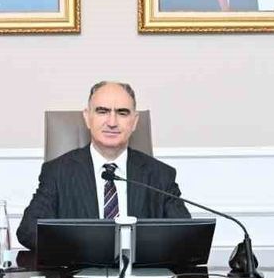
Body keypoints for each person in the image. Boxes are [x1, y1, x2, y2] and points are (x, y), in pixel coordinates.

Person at [16, 81, 191, 250]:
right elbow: (29, 231)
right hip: (78, 267)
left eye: (122, 113)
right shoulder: (57, 172)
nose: (112, 122)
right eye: (102, 111)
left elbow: (185, 236)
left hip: (140, 269)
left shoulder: (160, 175)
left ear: (134, 121)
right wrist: (83, 250)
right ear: (87, 117)